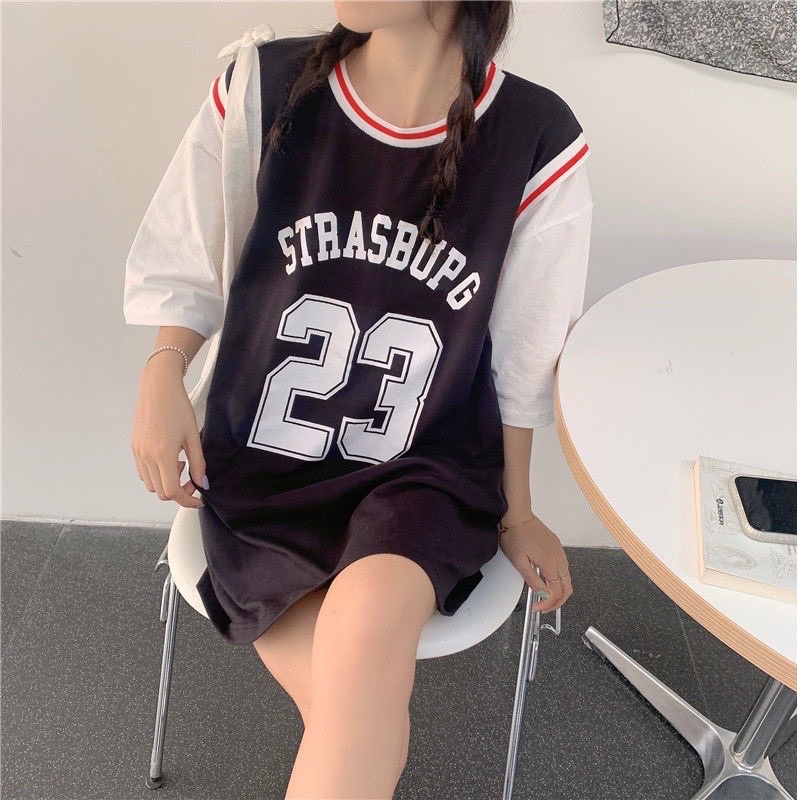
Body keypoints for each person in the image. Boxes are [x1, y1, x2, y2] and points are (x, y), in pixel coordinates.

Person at [124, 2, 591, 797]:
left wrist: (518, 510)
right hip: (266, 460)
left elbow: (522, 356)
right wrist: (162, 372)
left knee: (368, 625)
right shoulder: (264, 86)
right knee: (356, 715)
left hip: (425, 468)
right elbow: (188, 258)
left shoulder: (536, 136)